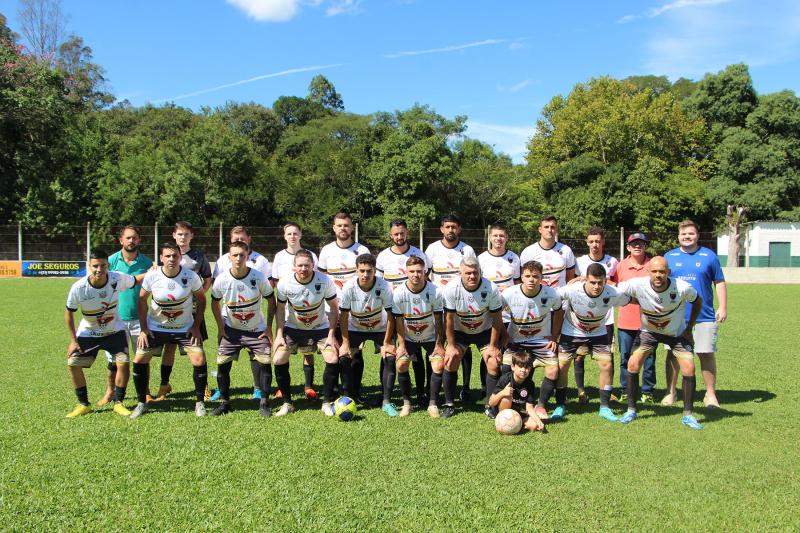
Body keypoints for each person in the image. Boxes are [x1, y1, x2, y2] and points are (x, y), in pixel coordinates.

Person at [617, 257, 704, 429]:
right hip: (649, 333)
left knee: (689, 368)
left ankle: (688, 415)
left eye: (662, 271)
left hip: (676, 334)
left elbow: (697, 301)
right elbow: (615, 290)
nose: (658, 275)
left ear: (668, 273)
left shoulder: (682, 287)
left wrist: (690, 327)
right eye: (654, 271)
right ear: (648, 271)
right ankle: (631, 410)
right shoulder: (637, 284)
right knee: (633, 365)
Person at [130, 242, 208, 419]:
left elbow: (202, 300)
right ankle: (142, 403)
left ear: (180, 257)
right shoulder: (152, 277)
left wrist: (196, 327)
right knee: (139, 359)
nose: (171, 259)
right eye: (168, 256)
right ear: (161, 258)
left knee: (199, 358)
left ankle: (199, 403)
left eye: (175, 256)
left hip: (184, 328)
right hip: (156, 328)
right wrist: (143, 329)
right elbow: (142, 301)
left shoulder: (190, 276)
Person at [64, 249, 137, 418]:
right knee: (73, 363)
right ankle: (83, 404)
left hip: (115, 331)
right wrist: (73, 340)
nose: (99, 269)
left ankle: (119, 403)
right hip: (89, 331)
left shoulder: (117, 278)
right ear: (89, 266)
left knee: (123, 362)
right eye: (95, 266)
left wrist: (151, 273)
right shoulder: (79, 287)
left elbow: (135, 280)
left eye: (103, 265)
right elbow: (69, 312)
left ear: (107, 265)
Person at [553, 263, 631, 422]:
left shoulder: (612, 292)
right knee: (562, 366)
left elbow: (630, 299)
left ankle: (604, 407)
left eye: (600, 282)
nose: (596, 286)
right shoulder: (573, 290)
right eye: (592, 282)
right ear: (585, 280)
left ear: (605, 281)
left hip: (598, 333)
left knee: (607, 365)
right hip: (571, 332)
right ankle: (560, 405)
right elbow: (553, 297)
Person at [663, 219, 727, 408]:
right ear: (678, 236)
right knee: (672, 355)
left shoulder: (709, 256)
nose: (687, 237)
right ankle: (671, 392)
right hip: (676, 317)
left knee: (705, 353)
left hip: (704, 316)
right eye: (683, 234)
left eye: (691, 233)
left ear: (697, 235)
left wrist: (722, 307)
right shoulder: (670, 256)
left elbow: (720, 282)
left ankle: (710, 394)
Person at [210, 240, 276, 417]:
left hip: (257, 330)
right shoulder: (222, 279)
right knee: (222, 364)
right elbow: (214, 302)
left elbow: (271, 299)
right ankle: (225, 402)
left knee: (265, 363)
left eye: (242, 255)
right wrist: (220, 326)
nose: (238, 258)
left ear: (247, 256)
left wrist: (269, 326)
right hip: (231, 330)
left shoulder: (258, 277)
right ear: (229, 257)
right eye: (235, 255)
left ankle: (264, 402)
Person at [273, 249, 342, 417]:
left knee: (332, 357)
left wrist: (331, 335)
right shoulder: (285, 283)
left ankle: (326, 402)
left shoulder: (324, 281)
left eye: (307, 265)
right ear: (294, 267)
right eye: (300, 266)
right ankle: (287, 403)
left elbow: (334, 309)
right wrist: (279, 335)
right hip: (294, 329)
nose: (303, 269)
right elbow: (280, 310)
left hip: (320, 328)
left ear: (313, 266)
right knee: (278, 358)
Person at [376, 219, 431, 407]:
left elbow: (426, 281)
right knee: (389, 354)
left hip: (415, 313)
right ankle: (386, 394)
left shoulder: (419, 254)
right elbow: (380, 284)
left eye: (402, 233)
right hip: (390, 314)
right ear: (391, 235)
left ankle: (422, 393)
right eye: (395, 234)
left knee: (416, 356)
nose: (399, 237)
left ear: (407, 233)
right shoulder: (383, 257)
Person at [425, 214, 478, 404]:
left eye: (454, 227)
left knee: (463, 346)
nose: (450, 230)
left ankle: (465, 387)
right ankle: (430, 387)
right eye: (447, 227)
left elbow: (473, 273)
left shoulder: (467, 249)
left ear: (459, 229)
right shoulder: (432, 249)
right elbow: (425, 275)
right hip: (438, 305)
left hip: (461, 304)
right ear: (441, 229)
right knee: (436, 343)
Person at [156, 221, 212, 402]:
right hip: (169, 311)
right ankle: (164, 385)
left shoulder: (198, 256)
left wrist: (199, 295)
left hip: (193, 310)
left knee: (197, 346)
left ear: (191, 236)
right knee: (169, 347)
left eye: (186, 234)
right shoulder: (166, 254)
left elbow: (208, 277)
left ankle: (203, 387)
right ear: (174, 235)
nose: (183, 237)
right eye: (180, 234)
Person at [317, 211, 370, 401]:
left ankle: (355, 392)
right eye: (339, 225)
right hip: (332, 310)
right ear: (334, 228)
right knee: (335, 349)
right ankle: (337, 391)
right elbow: (321, 280)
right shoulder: (326, 251)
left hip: (356, 311)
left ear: (352, 228)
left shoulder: (362, 250)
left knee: (355, 353)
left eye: (346, 225)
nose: (343, 228)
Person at [441, 257, 503, 418]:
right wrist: (451, 345)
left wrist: (493, 346)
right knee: (451, 359)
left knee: (493, 363)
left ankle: (490, 405)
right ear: (460, 273)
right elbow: (448, 319)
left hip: (484, 331)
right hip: (460, 332)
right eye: (468, 273)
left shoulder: (491, 288)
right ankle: (449, 404)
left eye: (475, 273)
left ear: (480, 272)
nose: (472, 276)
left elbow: (497, 319)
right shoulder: (451, 288)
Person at [501, 260, 563, 421]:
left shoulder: (551, 294)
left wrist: (554, 336)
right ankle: (510, 402)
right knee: (507, 369)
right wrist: (504, 334)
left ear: (541, 277)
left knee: (553, 369)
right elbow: (494, 313)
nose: (531, 279)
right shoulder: (509, 294)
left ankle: (540, 405)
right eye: (527, 276)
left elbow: (559, 312)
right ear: (521, 276)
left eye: (535, 276)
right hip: (516, 340)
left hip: (541, 339)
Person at [339, 254, 396, 416]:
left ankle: (386, 400)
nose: (365, 274)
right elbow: (343, 316)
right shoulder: (348, 287)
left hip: (381, 327)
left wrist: (386, 342)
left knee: (390, 357)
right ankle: (350, 396)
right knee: (345, 357)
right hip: (355, 327)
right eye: (361, 271)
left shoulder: (384, 286)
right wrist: (344, 342)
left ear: (375, 271)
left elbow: (391, 316)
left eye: (369, 271)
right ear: (356, 270)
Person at [271, 222, 320, 400]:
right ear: (284, 236)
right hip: (287, 308)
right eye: (289, 233)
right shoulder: (279, 257)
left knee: (308, 350)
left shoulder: (310, 255)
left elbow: (316, 280)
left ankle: (308, 386)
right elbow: (275, 283)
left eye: (295, 233)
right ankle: (281, 388)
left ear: (300, 235)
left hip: (307, 308)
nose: (292, 236)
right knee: (284, 348)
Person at [393, 255, 446, 417]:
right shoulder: (399, 293)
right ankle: (407, 403)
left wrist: (438, 344)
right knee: (401, 365)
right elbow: (399, 321)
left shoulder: (435, 291)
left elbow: (438, 320)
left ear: (425, 272)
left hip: (430, 336)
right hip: (409, 338)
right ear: (406, 272)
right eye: (412, 271)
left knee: (438, 365)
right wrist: (401, 345)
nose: (415, 275)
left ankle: (432, 404)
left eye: (419, 271)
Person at [106, 226, 153, 406]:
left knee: (142, 357)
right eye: (128, 238)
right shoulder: (110, 261)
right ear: (121, 240)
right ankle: (110, 392)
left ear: (139, 240)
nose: (131, 241)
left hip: (139, 319)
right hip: (115, 319)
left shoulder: (147, 263)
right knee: (114, 360)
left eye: (134, 238)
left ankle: (146, 391)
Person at [572, 227, 619, 403]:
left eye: (598, 241)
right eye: (591, 241)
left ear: (603, 242)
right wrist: (580, 279)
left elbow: (617, 286)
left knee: (608, 356)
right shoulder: (579, 262)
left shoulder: (612, 261)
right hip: (582, 318)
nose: (594, 245)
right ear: (586, 242)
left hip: (606, 317)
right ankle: (581, 390)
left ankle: (608, 390)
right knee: (579, 355)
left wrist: (608, 282)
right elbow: (573, 284)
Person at [478, 223, 521, 392]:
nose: (498, 239)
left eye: (502, 236)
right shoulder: (481, 259)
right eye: (495, 236)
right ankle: (485, 386)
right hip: (488, 313)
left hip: (508, 313)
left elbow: (517, 284)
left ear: (507, 238)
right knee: (489, 350)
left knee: (506, 349)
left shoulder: (514, 258)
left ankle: (506, 385)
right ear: (490, 237)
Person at [612, 232, 654, 404]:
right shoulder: (621, 266)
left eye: (641, 243)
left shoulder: (652, 265)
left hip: (649, 321)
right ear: (628, 247)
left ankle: (648, 392)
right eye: (634, 243)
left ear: (646, 246)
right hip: (625, 321)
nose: (637, 246)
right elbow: (613, 286)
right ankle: (625, 390)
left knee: (649, 358)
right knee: (625, 358)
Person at [488, 352, 545, 432]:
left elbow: (529, 407)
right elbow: (491, 402)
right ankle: (503, 422)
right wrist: (502, 393)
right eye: (520, 367)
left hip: (517, 411)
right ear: (513, 367)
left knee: (533, 425)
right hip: (502, 409)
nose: (523, 370)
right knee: (506, 398)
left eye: (527, 368)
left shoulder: (530, 384)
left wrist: (538, 421)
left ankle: (515, 425)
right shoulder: (505, 379)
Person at [519, 215, 576, 288]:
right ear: (540, 229)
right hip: (538, 297)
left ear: (556, 230)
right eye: (546, 227)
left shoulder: (566, 250)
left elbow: (570, 278)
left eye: (552, 227)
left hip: (560, 298)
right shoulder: (528, 252)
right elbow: (523, 279)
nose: (549, 230)